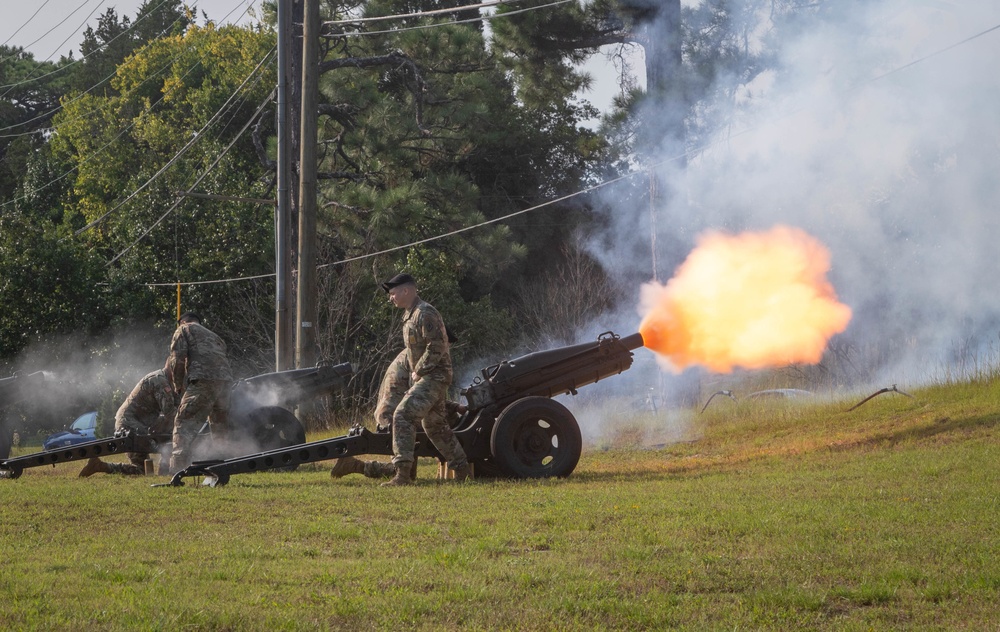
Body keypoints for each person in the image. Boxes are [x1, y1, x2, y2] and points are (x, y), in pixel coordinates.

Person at [379, 273, 471, 485]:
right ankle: (463, 472)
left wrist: (419, 370)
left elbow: (437, 345)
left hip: (434, 376)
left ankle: (402, 475)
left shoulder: (425, 312)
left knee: (402, 415)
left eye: (393, 294)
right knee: (435, 426)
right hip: (428, 377)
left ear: (406, 291)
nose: (390, 298)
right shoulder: (410, 315)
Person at [165, 311, 233, 474]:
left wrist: (178, 386)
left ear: (182, 321)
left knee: (183, 423)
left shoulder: (183, 329)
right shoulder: (216, 337)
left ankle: (177, 471)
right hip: (225, 383)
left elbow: (177, 359)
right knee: (219, 427)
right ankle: (222, 467)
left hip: (203, 380)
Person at [78, 369, 177, 477]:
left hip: (141, 425)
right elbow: (170, 413)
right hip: (129, 424)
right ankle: (100, 466)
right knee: (142, 470)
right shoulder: (159, 381)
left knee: (164, 444)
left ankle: (165, 471)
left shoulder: (166, 380)